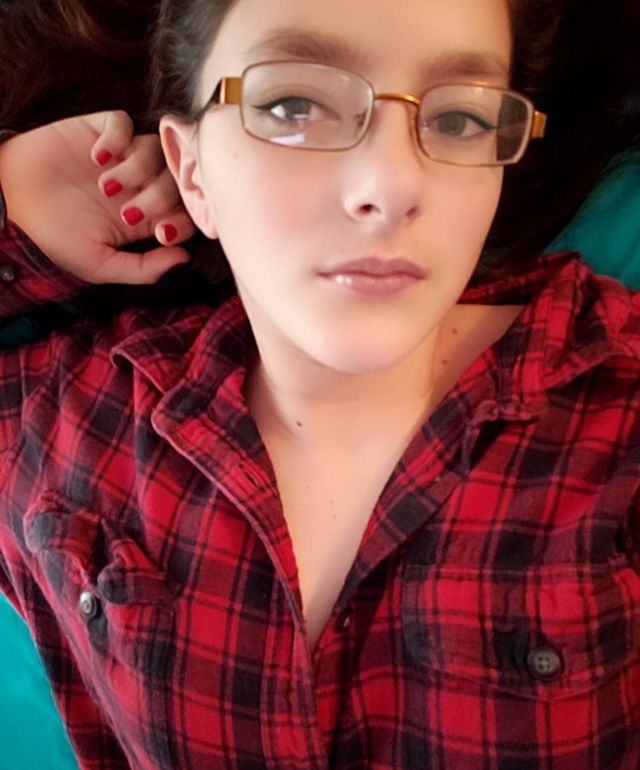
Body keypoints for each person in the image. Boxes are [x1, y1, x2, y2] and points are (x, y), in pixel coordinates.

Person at [0, 2, 638, 770]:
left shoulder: (618, 414)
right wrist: (14, 206)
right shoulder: (72, 419)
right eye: (294, 105)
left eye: (460, 120)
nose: (391, 186)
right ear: (191, 169)